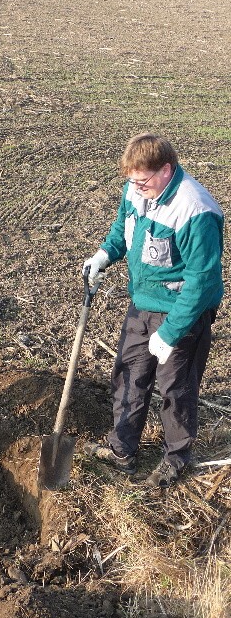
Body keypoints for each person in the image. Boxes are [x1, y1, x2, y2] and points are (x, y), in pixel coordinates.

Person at [82, 133, 224, 487]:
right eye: (131, 180)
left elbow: (201, 282)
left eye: (142, 180)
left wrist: (171, 333)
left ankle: (176, 459)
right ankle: (122, 449)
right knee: (129, 375)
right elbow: (122, 229)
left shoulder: (196, 210)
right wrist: (104, 255)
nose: (136, 187)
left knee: (176, 389)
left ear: (166, 170)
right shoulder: (137, 188)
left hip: (182, 312)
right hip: (142, 303)